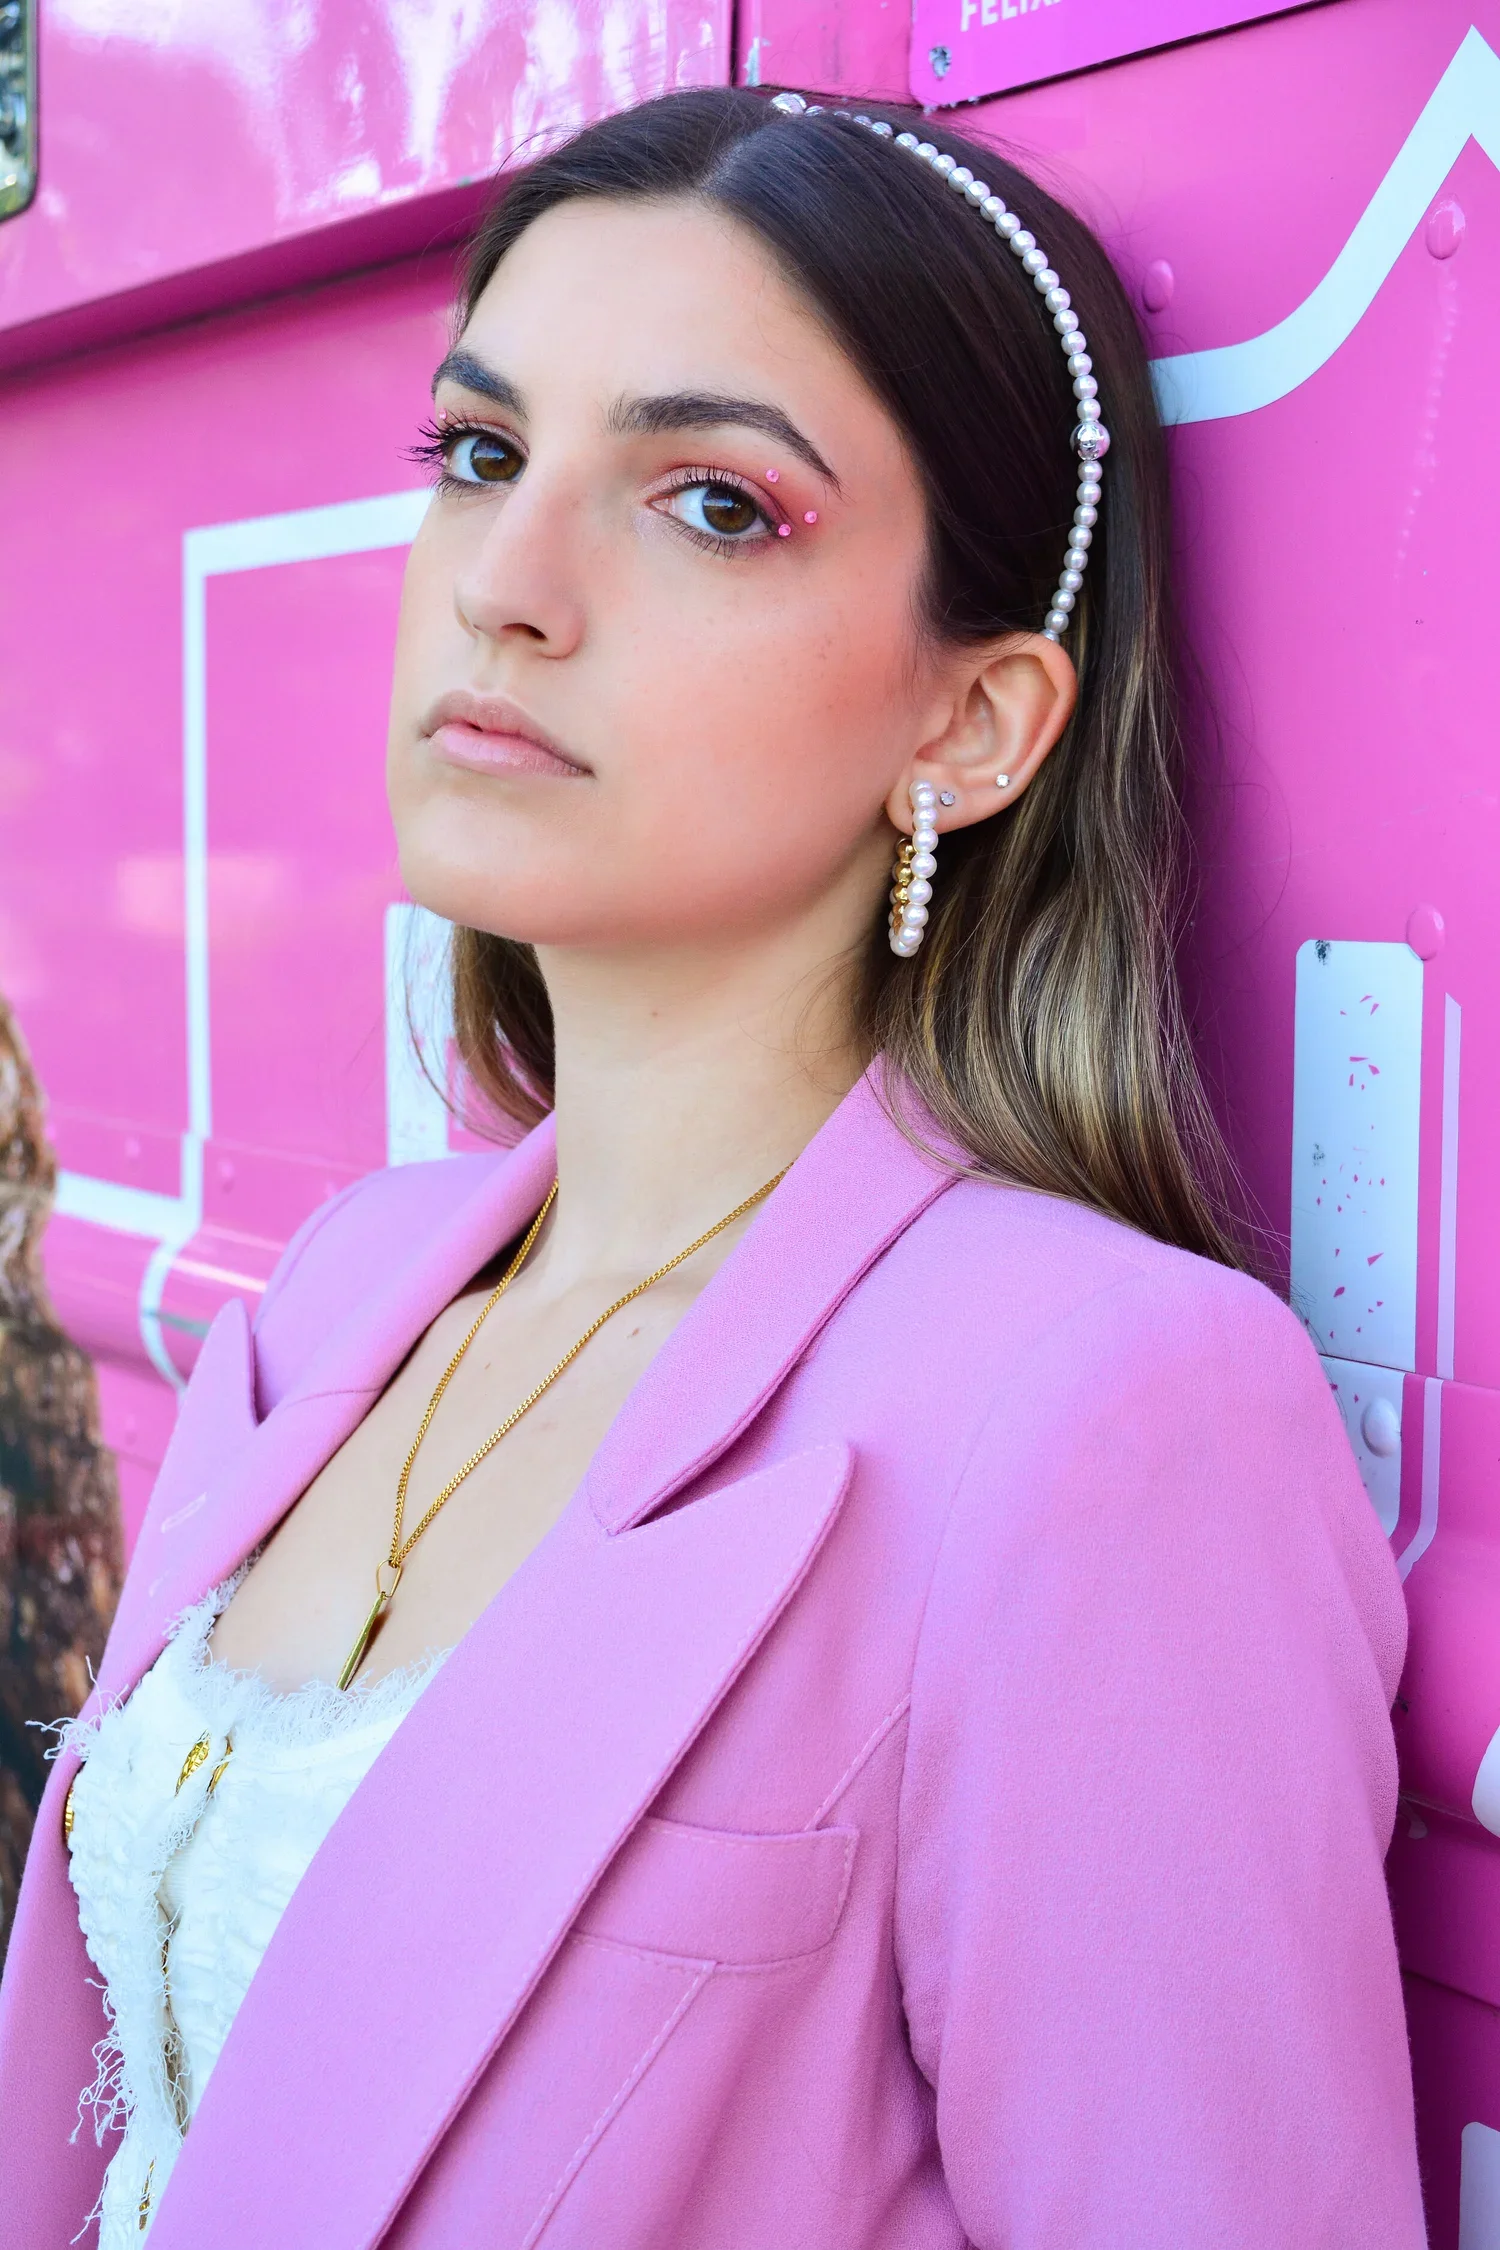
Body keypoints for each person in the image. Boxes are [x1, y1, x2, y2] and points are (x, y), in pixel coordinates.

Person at [0, 87, 1425, 2250]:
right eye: (482, 455)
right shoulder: (346, 1290)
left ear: (978, 722)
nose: (508, 583)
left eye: (712, 504)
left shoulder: (1109, 1411)